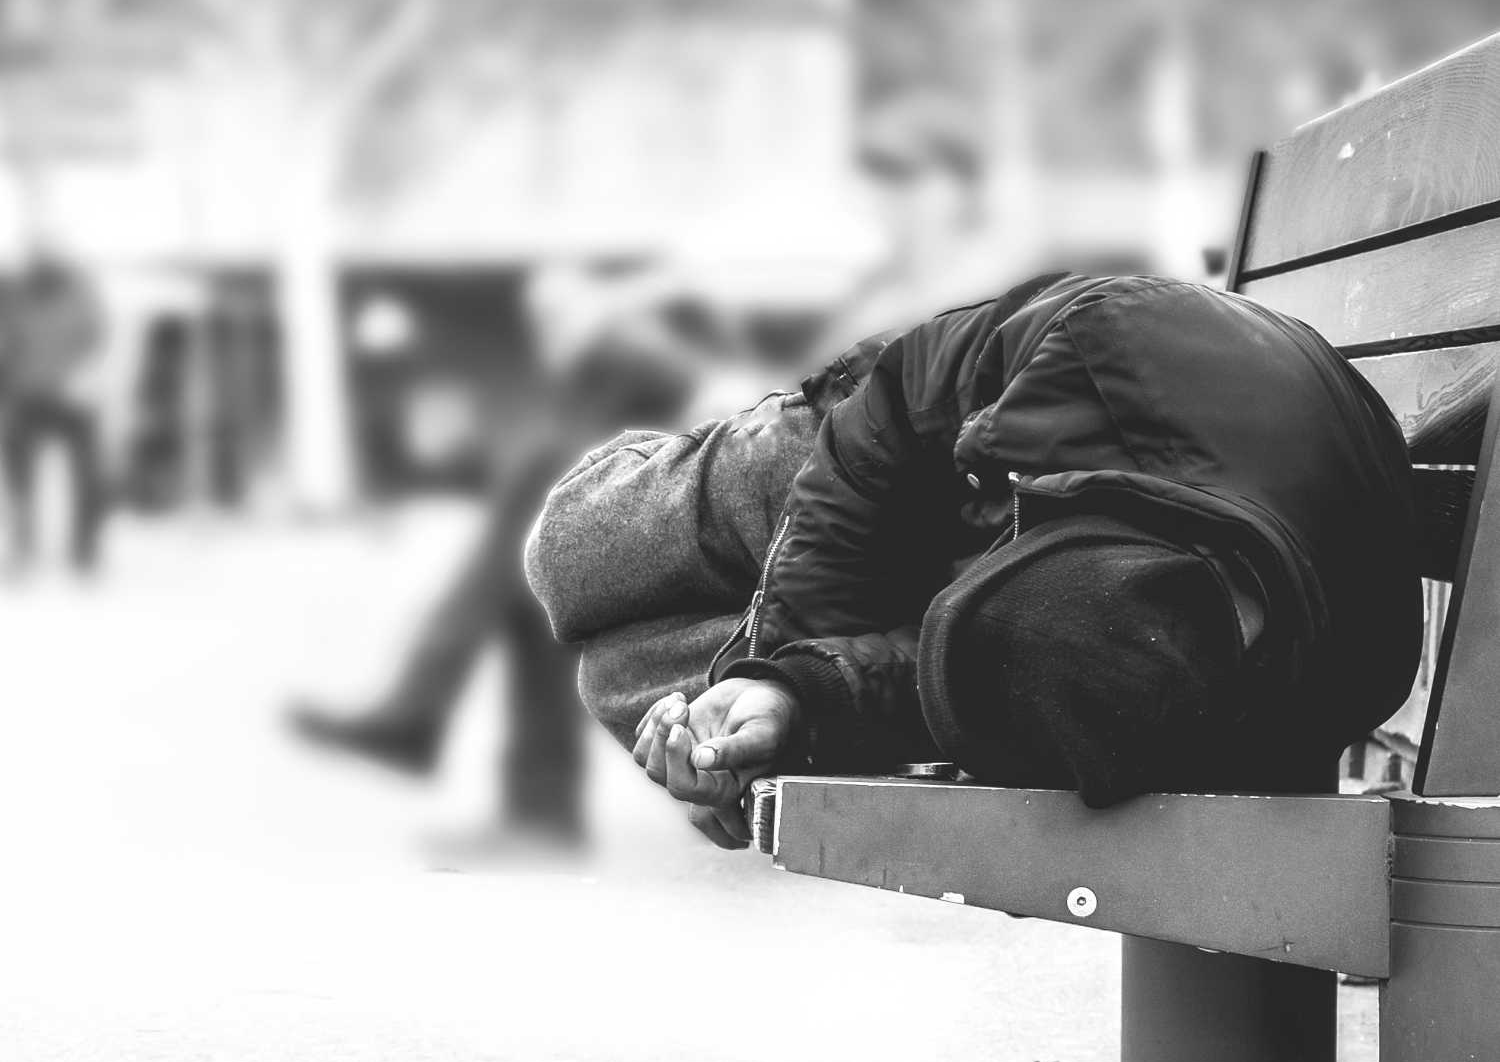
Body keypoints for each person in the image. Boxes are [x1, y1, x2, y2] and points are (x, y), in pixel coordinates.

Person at [526, 272, 1423, 848]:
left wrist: (793, 704)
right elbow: (897, 399)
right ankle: (659, 459)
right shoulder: (1110, 351)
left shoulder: (1150, 685)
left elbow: (972, 680)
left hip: (1019, 561)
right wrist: (792, 639)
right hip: (918, 457)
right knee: (570, 553)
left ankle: (743, 698)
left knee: (619, 672)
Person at [288, 306, 704, 851]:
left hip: (706, 513)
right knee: (531, 569)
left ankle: (423, 716)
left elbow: (665, 377)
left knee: (536, 528)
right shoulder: (654, 337)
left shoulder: (678, 332)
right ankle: (468, 752)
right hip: (676, 492)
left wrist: (605, 328)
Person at [0, 256, 108, 575]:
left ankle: (84, 550)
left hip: (72, 397)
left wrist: (82, 376)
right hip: (27, 396)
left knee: (89, 472)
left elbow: (96, 338)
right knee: (19, 472)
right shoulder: (15, 295)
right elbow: (8, 347)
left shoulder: (78, 294)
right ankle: (23, 544)